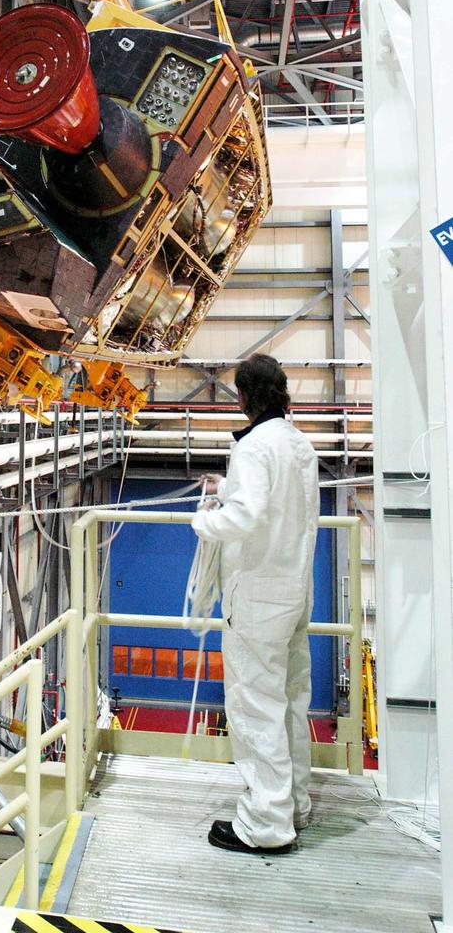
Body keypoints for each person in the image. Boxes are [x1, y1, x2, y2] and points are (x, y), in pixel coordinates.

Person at [191, 353, 319, 856]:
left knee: (254, 706)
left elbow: (243, 518)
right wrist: (228, 489)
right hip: (293, 591)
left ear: (243, 397)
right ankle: (294, 805)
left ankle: (265, 825)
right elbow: (278, 502)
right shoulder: (296, 442)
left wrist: (204, 521)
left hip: (258, 598)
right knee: (290, 703)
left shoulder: (252, 446)